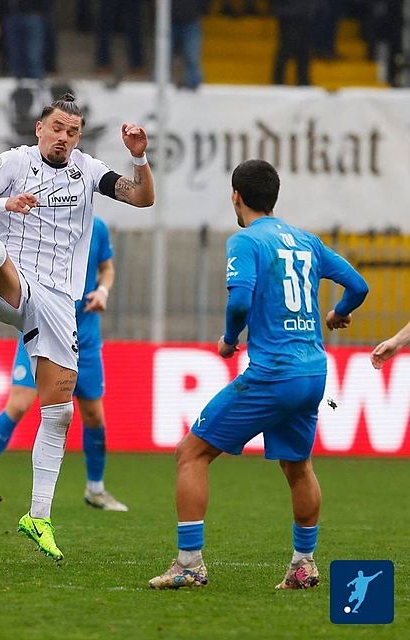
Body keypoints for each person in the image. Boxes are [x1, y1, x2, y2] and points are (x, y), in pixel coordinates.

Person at [0, 94, 154, 560]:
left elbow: (141, 198)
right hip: (13, 282)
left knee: (59, 413)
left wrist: (139, 158)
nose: (64, 137)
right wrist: (3, 203)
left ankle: (37, 516)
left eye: (72, 131)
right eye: (57, 128)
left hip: (61, 302)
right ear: (39, 128)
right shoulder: (15, 162)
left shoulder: (89, 170)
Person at [148, 159, 369, 590]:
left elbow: (239, 303)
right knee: (298, 466)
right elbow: (358, 286)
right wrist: (338, 314)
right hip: (313, 371)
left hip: (274, 372)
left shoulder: (246, 241)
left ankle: (190, 564)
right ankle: (303, 564)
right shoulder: (307, 241)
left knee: (191, 454)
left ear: (236, 196)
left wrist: (231, 339)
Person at [0, 216, 129, 512]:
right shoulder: (39, 222)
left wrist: (103, 291)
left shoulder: (96, 227)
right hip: (41, 327)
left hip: (83, 337)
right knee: (18, 405)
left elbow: (106, 268)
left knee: (94, 416)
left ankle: (96, 490)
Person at [273, 0, 317, 86]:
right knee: (287, 47)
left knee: (304, 48)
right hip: (288, 12)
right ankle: (278, 81)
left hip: (304, 11)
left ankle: (303, 80)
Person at [172, 0, 209, 90]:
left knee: (192, 56)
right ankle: (162, 83)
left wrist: (199, 9)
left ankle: (193, 84)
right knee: (164, 56)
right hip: (169, 21)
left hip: (191, 20)